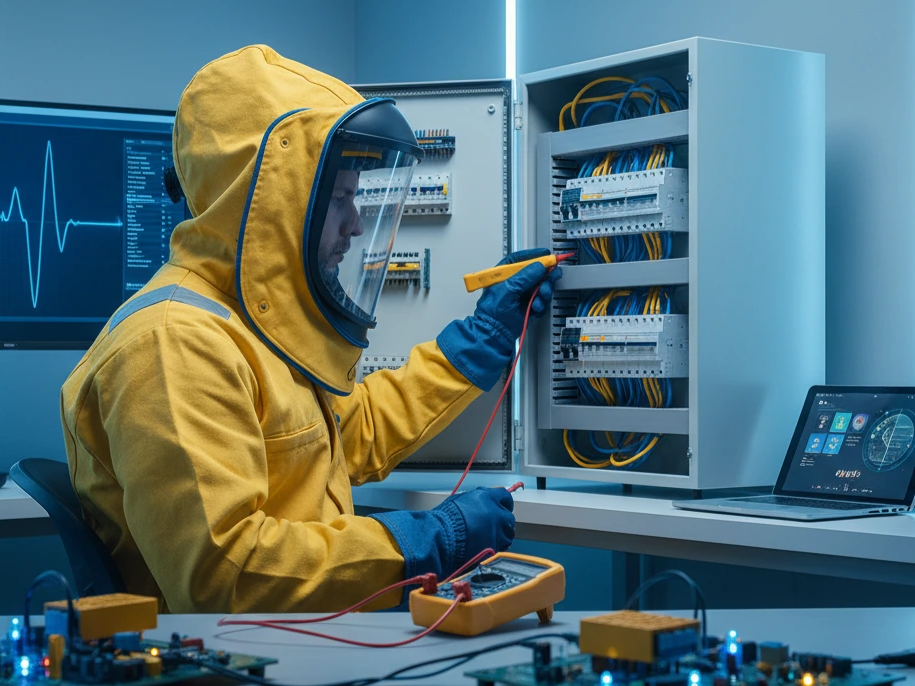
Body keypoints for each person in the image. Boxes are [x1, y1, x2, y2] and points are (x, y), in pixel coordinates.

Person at [59, 45, 560, 613]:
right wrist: (423, 541)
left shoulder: (251, 329)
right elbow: (227, 576)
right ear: (272, 198)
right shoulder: (172, 344)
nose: (355, 224)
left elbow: (349, 437)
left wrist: (482, 339)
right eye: (341, 198)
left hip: (302, 646)